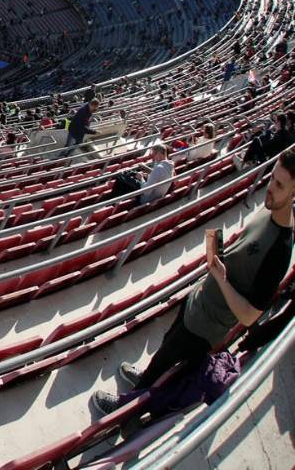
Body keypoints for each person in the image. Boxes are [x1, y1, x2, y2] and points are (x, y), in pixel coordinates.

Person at [93, 148, 295, 416]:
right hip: (198, 300)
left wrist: (221, 279)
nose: (270, 187)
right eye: (271, 177)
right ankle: (146, 377)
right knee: (164, 350)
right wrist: (220, 254)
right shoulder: (268, 209)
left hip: (205, 326)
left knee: (168, 361)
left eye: (279, 184)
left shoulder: (280, 250)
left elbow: (249, 316)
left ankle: (125, 408)